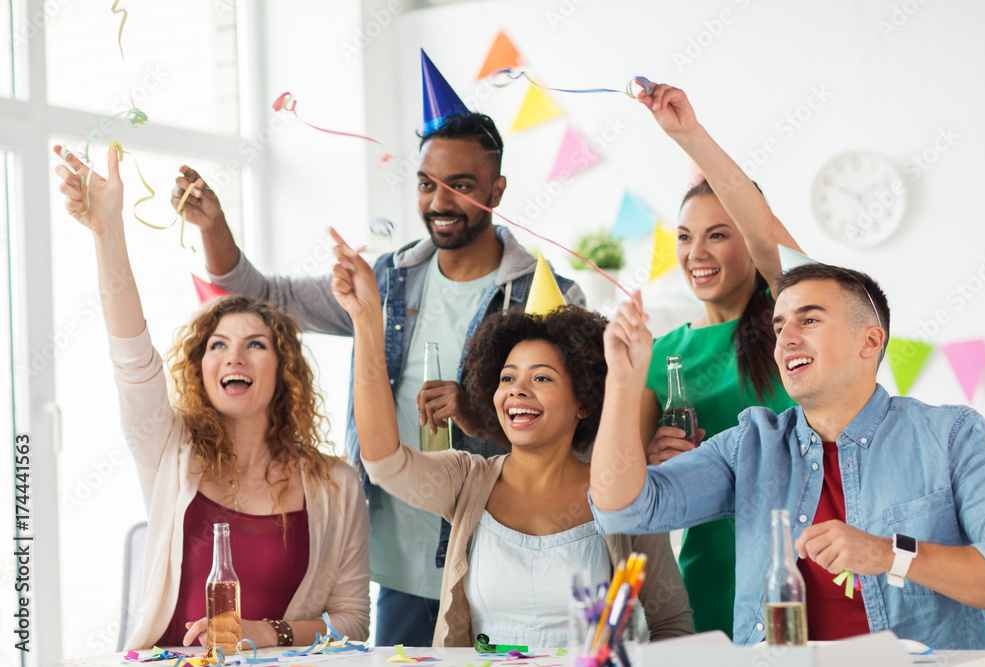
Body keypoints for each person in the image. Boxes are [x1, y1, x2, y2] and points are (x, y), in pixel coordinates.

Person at [171, 111, 583, 646]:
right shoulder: (389, 279)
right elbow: (268, 297)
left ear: (497, 189)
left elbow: (575, 429)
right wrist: (213, 227)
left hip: (499, 555)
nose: (439, 202)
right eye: (426, 184)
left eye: (461, 186)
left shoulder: (547, 295)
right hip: (398, 562)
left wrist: (475, 413)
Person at [53, 145, 371, 650]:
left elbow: (353, 622)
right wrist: (106, 230)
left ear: (285, 370)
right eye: (218, 346)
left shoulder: (336, 484)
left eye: (255, 345)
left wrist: (264, 633)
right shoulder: (169, 450)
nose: (233, 358)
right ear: (200, 369)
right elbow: (132, 358)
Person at [591, 264, 985, 649]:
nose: (785, 338)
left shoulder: (951, 435)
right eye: (780, 325)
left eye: (809, 320)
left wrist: (888, 554)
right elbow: (623, 510)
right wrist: (623, 383)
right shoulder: (749, 445)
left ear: (870, 340)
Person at [328, 228, 692, 646]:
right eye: (507, 378)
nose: (517, 390)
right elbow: (382, 460)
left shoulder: (624, 495)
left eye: (541, 377)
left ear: (584, 401)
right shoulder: (467, 480)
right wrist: (367, 319)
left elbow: (671, 625)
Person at [634, 82, 803, 637]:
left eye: (717, 235)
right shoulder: (659, 354)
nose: (695, 254)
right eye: (684, 237)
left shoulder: (792, 317)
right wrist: (655, 458)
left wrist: (688, 136)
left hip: (802, 563)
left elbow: (762, 226)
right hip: (707, 577)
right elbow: (623, 486)